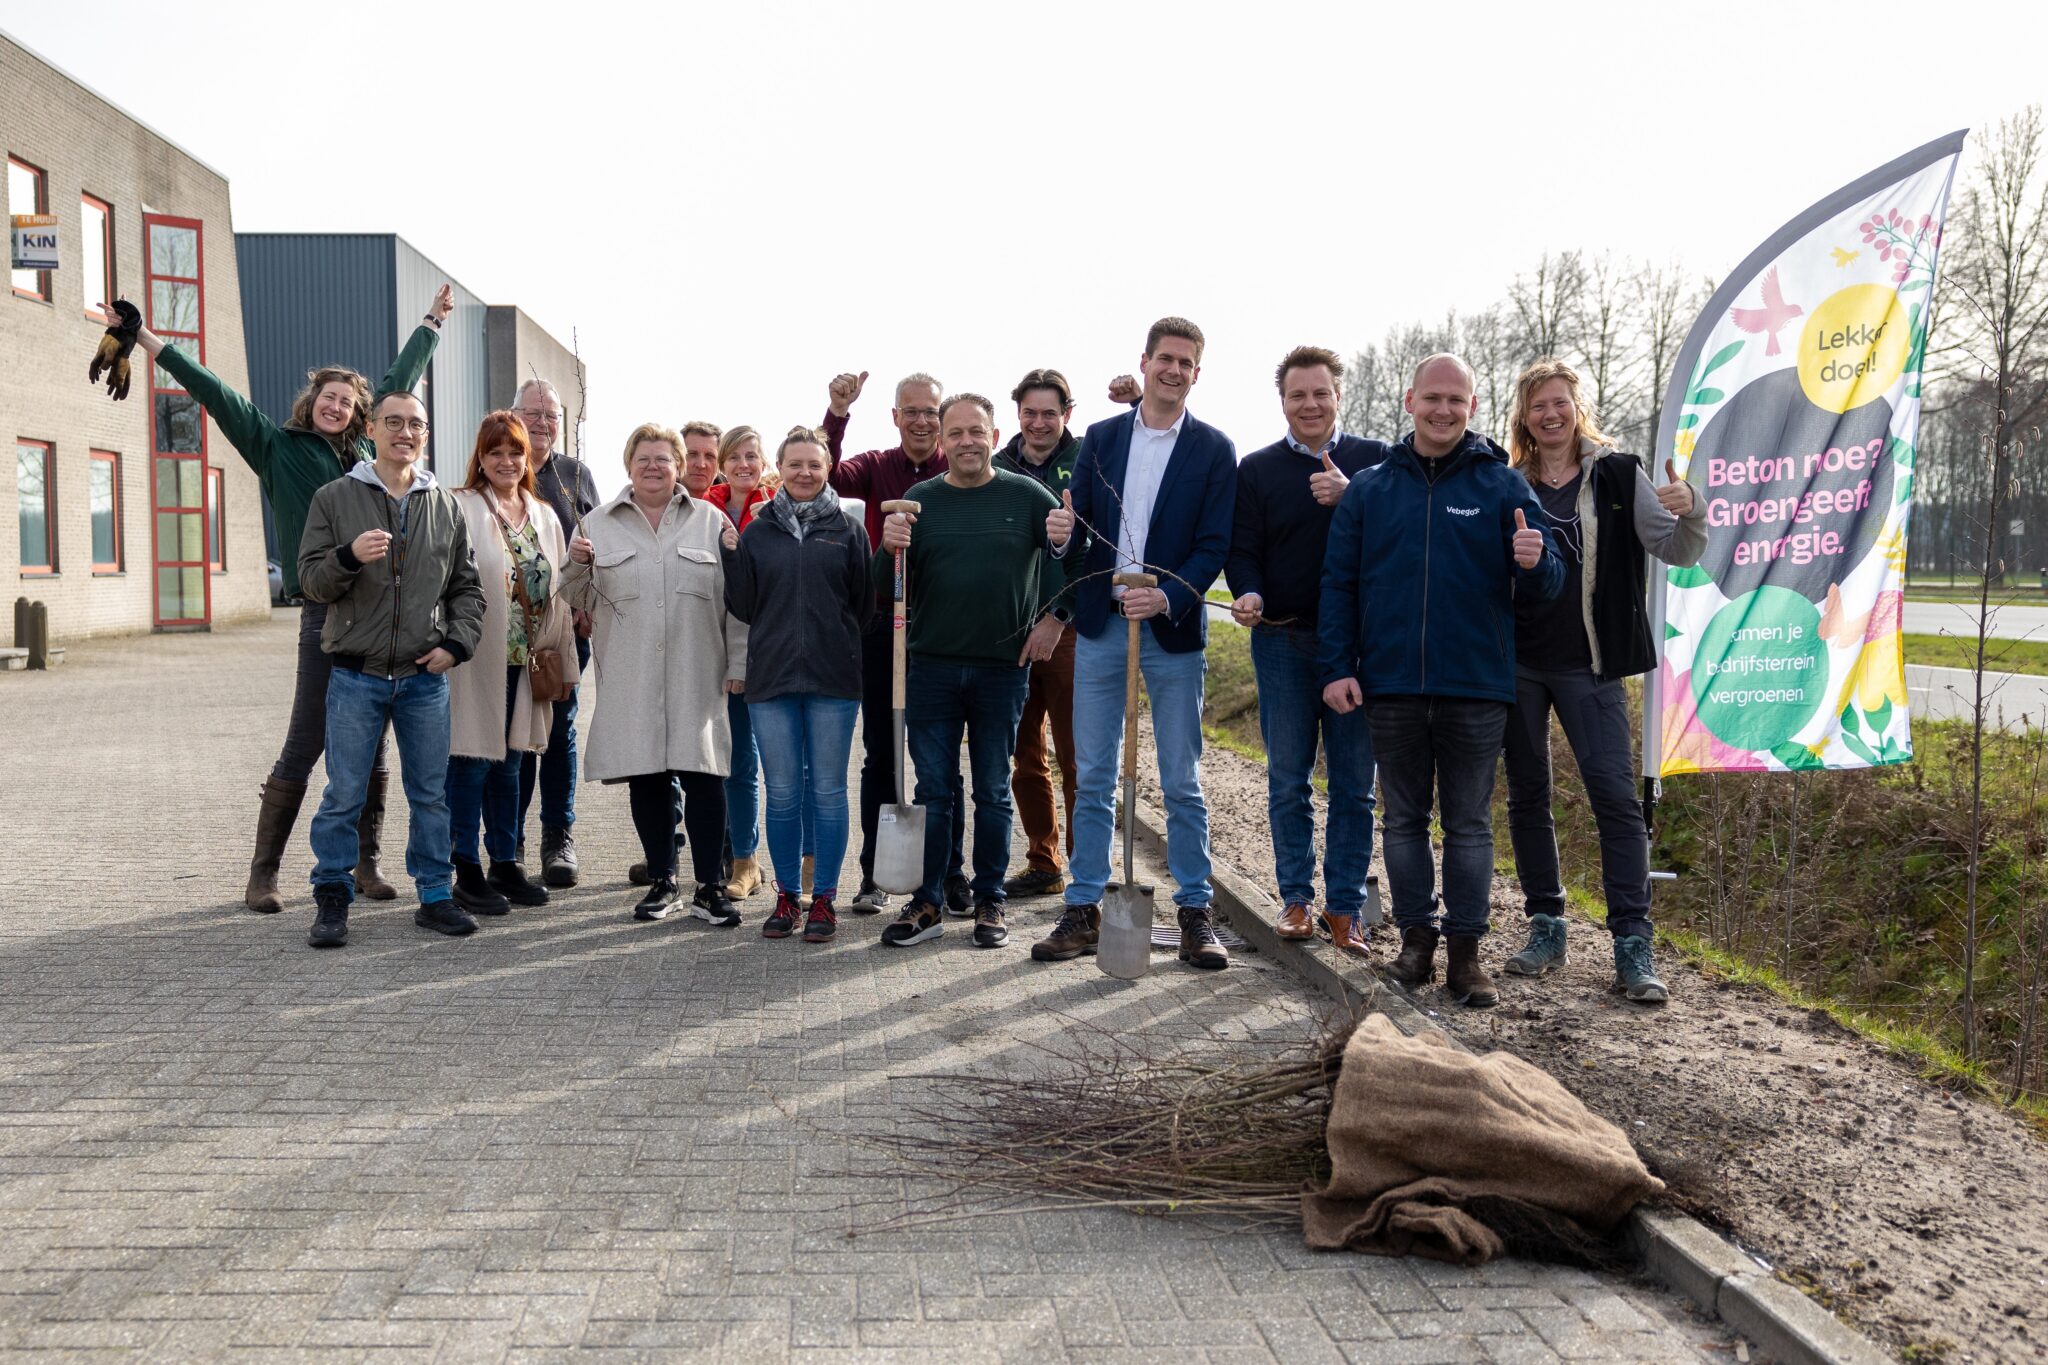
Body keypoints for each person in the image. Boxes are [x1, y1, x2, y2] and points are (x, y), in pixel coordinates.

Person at [128, 285, 452, 915]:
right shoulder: (275, 445)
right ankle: (263, 873)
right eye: (328, 397)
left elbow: (397, 380)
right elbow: (213, 391)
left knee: (375, 744)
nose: (336, 406)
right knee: (307, 740)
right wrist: (146, 340)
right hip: (324, 612)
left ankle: (366, 865)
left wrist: (432, 324)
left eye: (346, 401)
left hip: (384, 615)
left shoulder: (367, 455)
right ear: (312, 402)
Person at [1317, 353, 1564, 1007]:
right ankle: (1416, 946)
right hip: (1391, 685)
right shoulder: (1372, 488)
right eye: (1433, 398)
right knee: (1401, 822)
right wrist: (1338, 665)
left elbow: (1551, 580)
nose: (1443, 410)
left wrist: (1536, 563)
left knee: (1470, 826)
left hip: (1476, 686)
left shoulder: (1503, 486)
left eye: (1457, 400)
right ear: (1410, 401)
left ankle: (1466, 957)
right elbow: (1338, 584)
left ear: (1474, 407)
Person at [1500, 358, 1705, 1004]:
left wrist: (1691, 508)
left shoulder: (1619, 473)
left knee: (1615, 800)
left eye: (1559, 402)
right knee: (1529, 795)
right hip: (1519, 663)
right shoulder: (1508, 483)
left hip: (1590, 664)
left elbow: (1679, 548)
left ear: (1576, 407)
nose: (1550, 414)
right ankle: (1547, 924)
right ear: (1524, 417)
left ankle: (1632, 943)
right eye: (1538, 406)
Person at [1041, 317, 1237, 970]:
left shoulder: (1213, 449)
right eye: (1166, 359)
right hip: (1101, 626)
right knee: (1092, 775)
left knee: (1181, 779)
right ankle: (1083, 907)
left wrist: (1172, 595)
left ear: (1196, 373)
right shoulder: (1100, 439)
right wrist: (1066, 532)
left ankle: (1195, 912)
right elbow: (1084, 527)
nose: (1174, 370)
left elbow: (1214, 543)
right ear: (1146, 362)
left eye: (1187, 362)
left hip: (1173, 633)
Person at [296, 390, 487, 947]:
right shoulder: (335, 497)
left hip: (424, 678)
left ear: (425, 436)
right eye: (395, 422)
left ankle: (433, 893)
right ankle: (332, 893)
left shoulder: (444, 505)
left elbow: (466, 588)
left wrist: (456, 645)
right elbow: (309, 581)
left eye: (417, 425)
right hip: (355, 675)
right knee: (344, 792)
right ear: (372, 429)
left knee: (430, 794)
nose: (406, 432)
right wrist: (349, 556)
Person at [873, 394, 1065, 950]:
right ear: (941, 440)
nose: (965, 442)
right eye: (953, 433)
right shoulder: (918, 502)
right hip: (930, 667)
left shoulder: (1028, 497)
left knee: (992, 791)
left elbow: (1068, 558)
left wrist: (1054, 620)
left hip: (1001, 671)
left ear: (993, 434)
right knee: (935, 789)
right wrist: (888, 550)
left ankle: (990, 902)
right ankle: (929, 900)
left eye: (974, 432)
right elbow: (884, 587)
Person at [1226, 346, 1387, 954]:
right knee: (1288, 778)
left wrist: (1353, 497)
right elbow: (1241, 549)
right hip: (1282, 640)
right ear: (1283, 402)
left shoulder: (1374, 463)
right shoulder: (1257, 469)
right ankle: (1295, 900)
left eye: (1320, 393)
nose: (1310, 404)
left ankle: (1345, 911)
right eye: (1298, 395)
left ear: (1338, 396)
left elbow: (1401, 537)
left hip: (1357, 648)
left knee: (1353, 784)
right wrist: (1248, 591)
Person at [567, 424, 747, 925]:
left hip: (699, 672)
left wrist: (739, 663)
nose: (653, 467)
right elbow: (575, 601)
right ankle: (663, 881)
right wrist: (576, 566)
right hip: (631, 674)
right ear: (628, 465)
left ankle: (711, 887)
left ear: (678, 466)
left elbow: (736, 604)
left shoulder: (710, 522)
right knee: (647, 778)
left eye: (663, 459)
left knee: (705, 778)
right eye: (643, 458)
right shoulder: (594, 525)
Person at [820, 371, 966, 917]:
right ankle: (875, 874)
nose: (923, 421)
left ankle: (949, 872)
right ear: (896, 417)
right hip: (881, 628)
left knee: (940, 762)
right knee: (881, 755)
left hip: (940, 630)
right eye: (913, 412)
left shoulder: (958, 470)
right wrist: (836, 413)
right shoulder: (875, 466)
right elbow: (828, 476)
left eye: (932, 412)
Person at [725, 427, 872, 943]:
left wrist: (837, 646)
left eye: (814, 464)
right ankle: (787, 895)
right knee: (783, 793)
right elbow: (743, 606)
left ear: (827, 468)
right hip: (772, 679)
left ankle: (825, 899)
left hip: (834, 681)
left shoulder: (849, 530)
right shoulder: (758, 532)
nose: (804, 473)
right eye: (794, 465)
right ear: (779, 470)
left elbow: (864, 605)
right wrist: (730, 554)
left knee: (829, 792)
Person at [446, 412, 577, 919]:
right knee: (472, 762)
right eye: (495, 452)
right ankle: (465, 868)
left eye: (515, 452)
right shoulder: (460, 507)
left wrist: (565, 664)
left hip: (526, 661)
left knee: (513, 764)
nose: (506, 461)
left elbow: (561, 591)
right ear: (480, 457)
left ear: (528, 458)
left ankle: (504, 861)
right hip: (476, 658)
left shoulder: (543, 513)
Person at [995, 368, 1084, 900]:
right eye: (1030, 412)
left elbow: (1094, 549)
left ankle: (1086, 868)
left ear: (1066, 414)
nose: (1039, 422)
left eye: (1050, 412)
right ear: (1018, 414)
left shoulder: (1088, 464)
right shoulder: (997, 467)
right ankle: (1043, 859)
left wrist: (1060, 616)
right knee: (1024, 752)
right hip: (1011, 632)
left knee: (1078, 756)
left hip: (1070, 630)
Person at [511, 379, 599, 890]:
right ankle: (510, 842)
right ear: (514, 413)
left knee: (560, 731)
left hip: (564, 631)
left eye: (552, 416)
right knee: (516, 736)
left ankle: (557, 839)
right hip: (510, 632)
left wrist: (588, 603)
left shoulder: (574, 474)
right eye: (534, 413)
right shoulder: (501, 468)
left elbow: (597, 540)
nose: (544, 423)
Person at [705, 426, 777, 900]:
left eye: (752, 456)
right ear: (723, 464)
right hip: (724, 655)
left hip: (773, 651)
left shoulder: (777, 507)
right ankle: (745, 862)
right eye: (735, 458)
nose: (744, 465)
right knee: (738, 763)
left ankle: (801, 865)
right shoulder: (703, 511)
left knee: (788, 766)